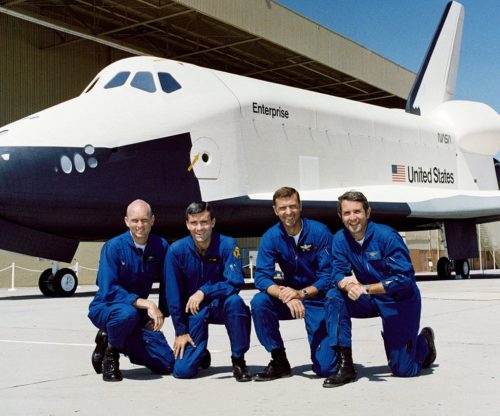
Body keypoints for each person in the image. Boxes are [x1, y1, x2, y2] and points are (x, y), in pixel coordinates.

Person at [323, 190, 437, 388]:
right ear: (340, 217)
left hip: (400, 300)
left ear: (368, 212)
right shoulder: (340, 239)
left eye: (357, 212)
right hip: (371, 299)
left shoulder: (387, 236)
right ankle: (346, 365)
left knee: (404, 370)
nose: (353, 218)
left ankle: (424, 343)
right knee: (334, 296)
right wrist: (348, 284)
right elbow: (337, 274)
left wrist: (364, 288)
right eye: (347, 213)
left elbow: (404, 278)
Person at [251, 186, 337, 381]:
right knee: (259, 302)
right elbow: (262, 277)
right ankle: (279, 359)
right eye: (282, 208)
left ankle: (333, 350)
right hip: (290, 298)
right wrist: (285, 295)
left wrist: (301, 293)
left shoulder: (320, 232)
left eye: (292, 206)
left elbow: (328, 276)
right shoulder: (271, 237)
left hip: (318, 298)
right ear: (275, 210)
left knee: (325, 369)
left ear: (300, 206)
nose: (288, 212)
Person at [88, 199, 174, 382]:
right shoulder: (113, 247)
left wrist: (162, 313)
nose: (140, 225)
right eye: (135, 220)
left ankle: (111, 336)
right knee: (126, 314)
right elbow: (109, 289)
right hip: (107, 307)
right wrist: (147, 304)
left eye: (144, 220)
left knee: (166, 363)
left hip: (138, 313)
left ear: (153, 220)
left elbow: (168, 283)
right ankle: (111, 354)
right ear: (126, 221)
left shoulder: (161, 246)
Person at [165, 202, 252, 382]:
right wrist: (181, 332)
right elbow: (172, 295)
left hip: (221, 305)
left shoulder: (227, 245)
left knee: (236, 303)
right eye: (194, 223)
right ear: (187, 224)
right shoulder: (176, 251)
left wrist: (204, 291)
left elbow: (234, 282)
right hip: (194, 312)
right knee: (182, 371)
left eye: (204, 222)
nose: (199, 228)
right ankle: (200, 354)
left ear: (213, 222)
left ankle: (238, 360)